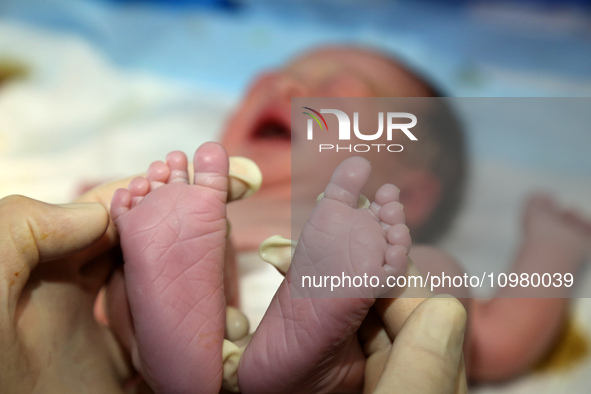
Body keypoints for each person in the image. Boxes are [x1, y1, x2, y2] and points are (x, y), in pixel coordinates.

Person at [103, 45, 591, 392]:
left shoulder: (377, 246)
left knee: (429, 278)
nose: (287, 84)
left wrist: (553, 246)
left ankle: (320, 362)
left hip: (350, 310)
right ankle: (183, 351)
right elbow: (504, 337)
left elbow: (499, 343)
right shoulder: (195, 211)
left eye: (334, 86)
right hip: (206, 295)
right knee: (125, 271)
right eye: (281, 73)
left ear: (412, 194)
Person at [0, 194, 467, 393]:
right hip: (246, 283)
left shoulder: (198, 201)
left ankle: (160, 358)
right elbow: (508, 336)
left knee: (129, 266)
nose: (297, 84)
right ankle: (319, 370)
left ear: (424, 193)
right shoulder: (208, 206)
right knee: (429, 288)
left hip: (250, 292)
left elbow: (87, 217)